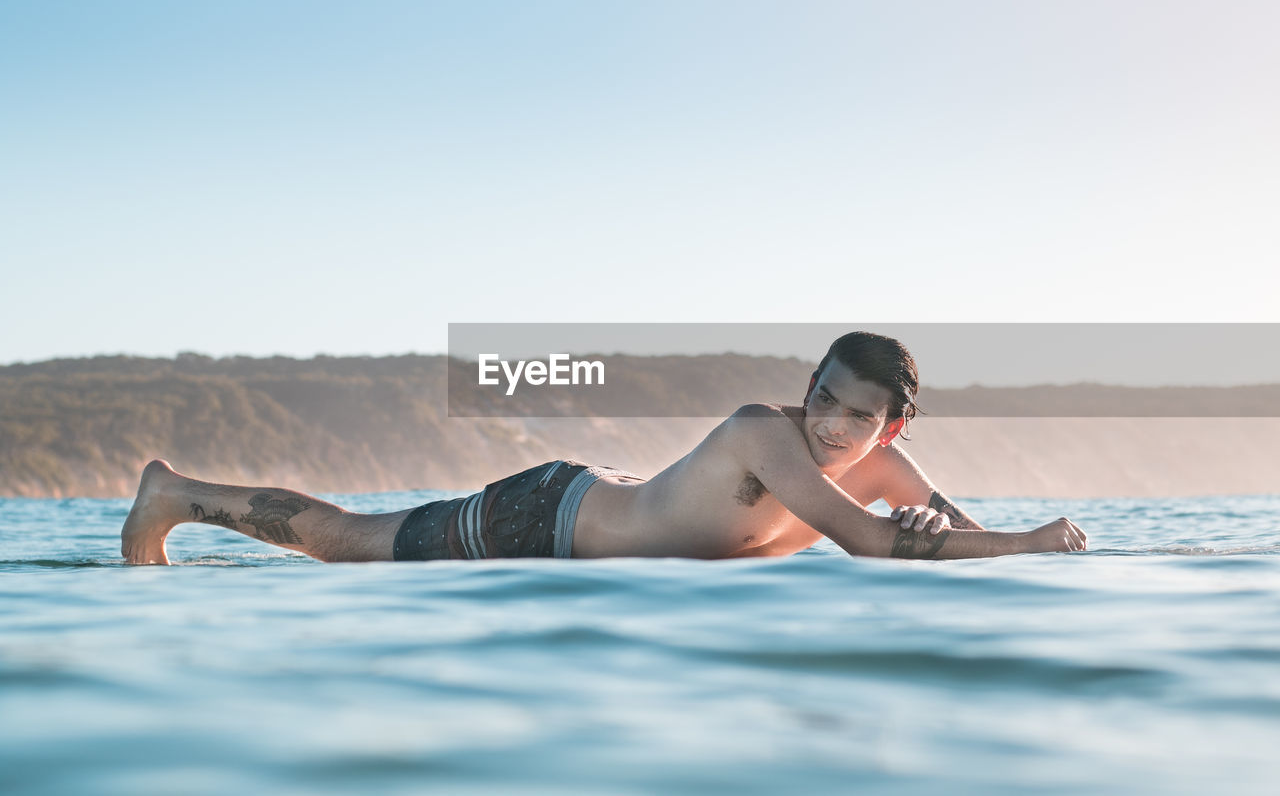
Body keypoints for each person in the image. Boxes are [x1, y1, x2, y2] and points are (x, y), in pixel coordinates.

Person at [121, 332, 1087, 565]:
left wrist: (994, 541)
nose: (832, 424)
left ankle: (176, 494)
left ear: (894, 428)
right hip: (550, 515)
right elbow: (873, 546)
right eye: (823, 398)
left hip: (606, 508)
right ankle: (172, 492)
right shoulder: (765, 431)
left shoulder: (882, 467)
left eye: (857, 417)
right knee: (349, 542)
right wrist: (1034, 543)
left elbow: (955, 535)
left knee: (354, 540)